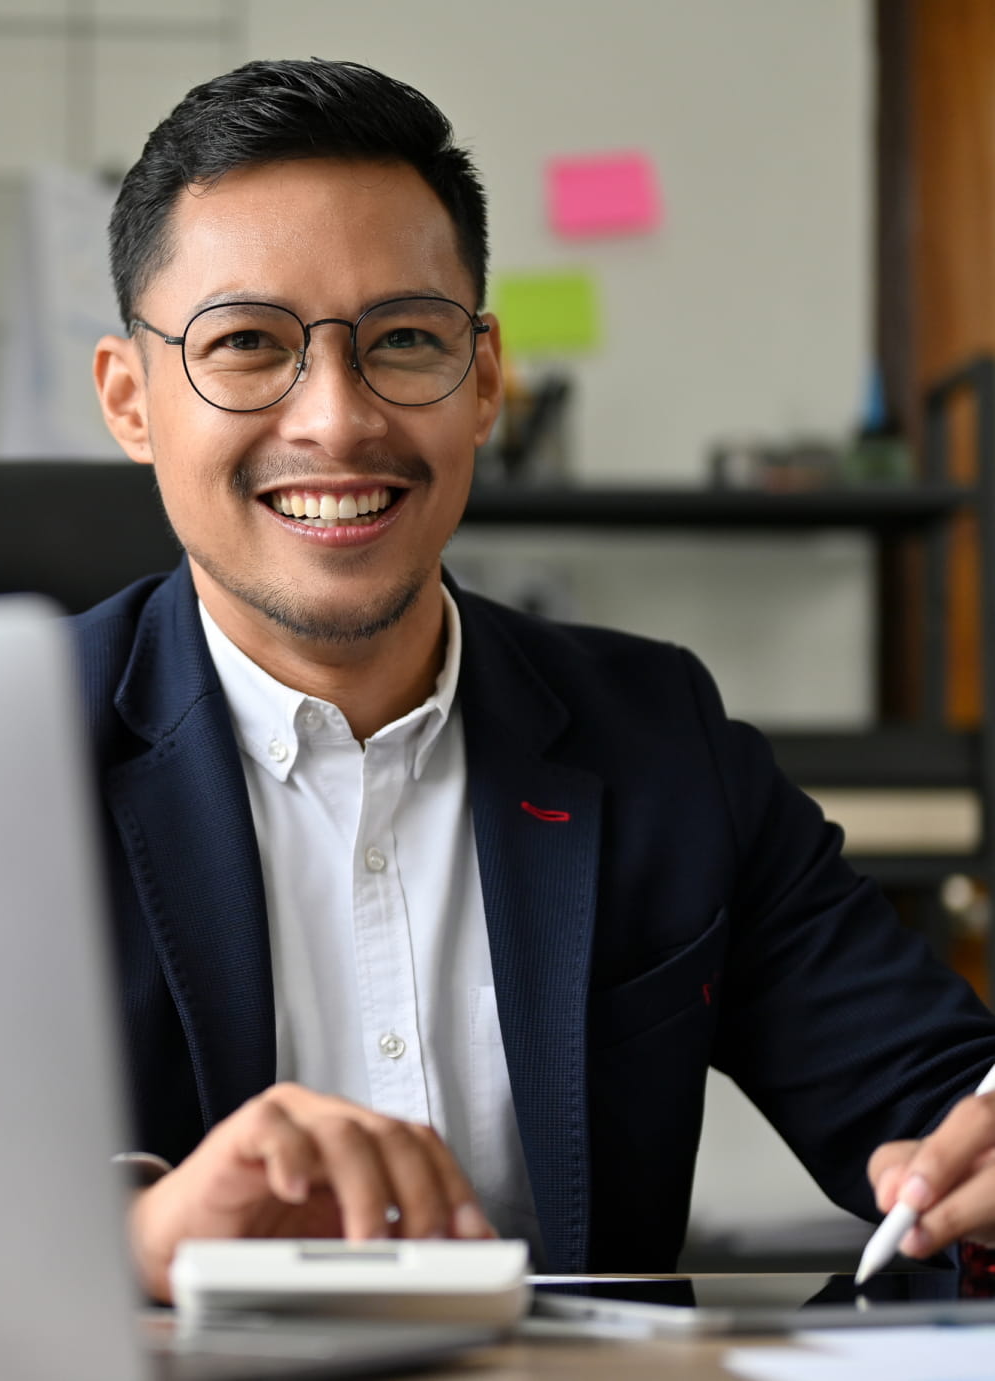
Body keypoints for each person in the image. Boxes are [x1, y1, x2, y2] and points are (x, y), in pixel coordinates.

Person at [84, 57, 995, 1300]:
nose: (337, 420)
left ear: (485, 380)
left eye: (405, 339)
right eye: (248, 344)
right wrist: (136, 1242)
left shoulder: (657, 738)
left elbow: (940, 1109)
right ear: (130, 400)